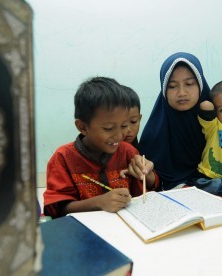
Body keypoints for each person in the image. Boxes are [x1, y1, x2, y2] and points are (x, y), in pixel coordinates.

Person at [43, 77, 159, 218]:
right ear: (83, 127)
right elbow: (58, 209)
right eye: (109, 128)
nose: (119, 135)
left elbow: (144, 195)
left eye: (124, 126)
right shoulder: (63, 158)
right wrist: (99, 203)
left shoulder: (128, 152)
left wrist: (148, 175)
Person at [139, 52, 222, 193]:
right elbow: (150, 182)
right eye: (172, 86)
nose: (182, 92)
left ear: (200, 84)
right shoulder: (155, 132)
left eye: (189, 84)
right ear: (164, 90)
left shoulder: (219, 119)